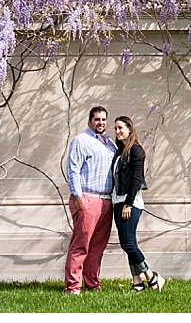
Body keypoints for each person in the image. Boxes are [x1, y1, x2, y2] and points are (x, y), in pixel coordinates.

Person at [64, 105, 117, 295]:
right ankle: (72, 287)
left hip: (106, 201)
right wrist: (78, 198)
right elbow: (73, 169)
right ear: (90, 121)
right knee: (81, 245)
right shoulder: (81, 140)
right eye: (97, 119)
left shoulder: (110, 143)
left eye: (103, 119)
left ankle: (93, 284)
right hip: (87, 198)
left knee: (97, 247)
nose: (100, 123)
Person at [111, 115, 166, 292]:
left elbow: (136, 178)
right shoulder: (119, 152)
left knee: (128, 244)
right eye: (116, 128)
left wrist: (128, 203)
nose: (118, 131)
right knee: (128, 243)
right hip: (117, 201)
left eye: (121, 128)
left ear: (130, 129)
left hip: (130, 203)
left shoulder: (136, 150)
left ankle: (151, 276)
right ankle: (137, 283)